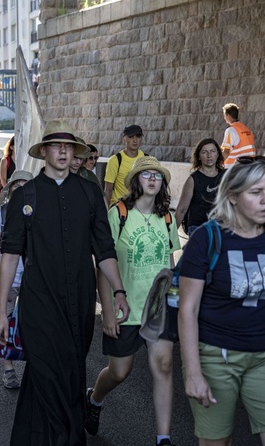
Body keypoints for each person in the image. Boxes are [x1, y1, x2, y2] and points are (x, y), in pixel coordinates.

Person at [0, 120, 130, 445]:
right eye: (56, 146)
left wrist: (119, 290)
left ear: (76, 154)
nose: (63, 152)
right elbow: (9, 256)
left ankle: (30, 438)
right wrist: (1, 312)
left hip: (80, 302)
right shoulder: (25, 195)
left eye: (69, 148)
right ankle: (68, 438)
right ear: (44, 152)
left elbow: (104, 248)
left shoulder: (89, 192)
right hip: (38, 303)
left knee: (69, 370)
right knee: (45, 369)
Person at [178, 156, 265, 446]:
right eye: (256, 192)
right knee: (217, 441)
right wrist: (194, 371)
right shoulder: (208, 238)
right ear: (233, 197)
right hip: (215, 357)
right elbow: (188, 309)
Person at [86, 157, 181, 446]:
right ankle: (95, 399)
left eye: (157, 176)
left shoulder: (167, 218)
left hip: (157, 309)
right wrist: (108, 312)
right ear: (136, 181)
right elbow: (104, 263)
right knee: (119, 372)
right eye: (146, 175)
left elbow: (169, 263)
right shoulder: (120, 213)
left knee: (164, 367)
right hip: (125, 307)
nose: (152, 180)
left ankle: (163, 438)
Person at [0, 170, 33, 389]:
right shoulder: (0, 215)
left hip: (31, 282)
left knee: (32, 326)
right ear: (9, 189)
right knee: (4, 323)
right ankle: (9, 369)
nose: (21, 189)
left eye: (26, 185)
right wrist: (3, 282)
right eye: (17, 185)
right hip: (3, 280)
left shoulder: (38, 214)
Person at [175, 138, 226, 236]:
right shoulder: (193, 180)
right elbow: (181, 210)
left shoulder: (226, 176)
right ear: (198, 156)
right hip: (198, 228)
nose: (209, 155)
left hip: (221, 227)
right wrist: (170, 238)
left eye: (212, 151)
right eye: (204, 152)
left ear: (218, 154)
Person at [104, 124, 146, 206]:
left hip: (140, 209)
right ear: (124, 138)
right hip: (119, 208)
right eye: (131, 137)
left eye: (138, 136)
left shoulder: (146, 158)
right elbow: (108, 191)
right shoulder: (115, 160)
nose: (135, 140)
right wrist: (105, 214)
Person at [220, 103, 255, 167]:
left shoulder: (230, 130)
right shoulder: (246, 129)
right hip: (248, 166)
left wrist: (219, 163)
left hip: (233, 168)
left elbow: (226, 152)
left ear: (228, 115)